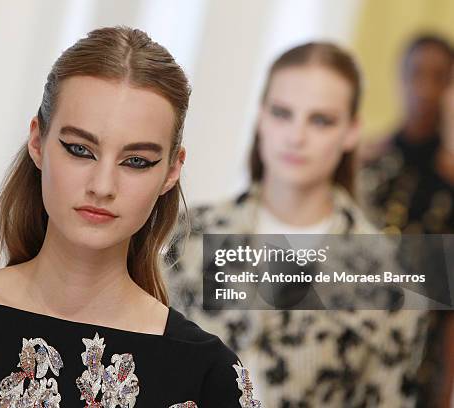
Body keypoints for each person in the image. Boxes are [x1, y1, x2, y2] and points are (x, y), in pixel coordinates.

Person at [0, 26, 260, 407]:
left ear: (171, 170)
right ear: (38, 142)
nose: (102, 185)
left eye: (136, 161)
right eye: (80, 149)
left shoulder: (208, 378)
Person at [162, 42, 428, 407]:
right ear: (261, 117)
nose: (296, 136)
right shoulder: (187, 235)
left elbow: (390, 397)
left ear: (351, 131)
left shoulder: (387, 273)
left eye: (321, 120)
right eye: (282, 113)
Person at [358, 34, 454, 408]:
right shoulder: (367, 168)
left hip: (418, 361)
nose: (425, 89)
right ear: (401, 76)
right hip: (354, 340)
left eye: (439, 77)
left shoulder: (448, 187)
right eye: (416, 74)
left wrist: (445, 393)